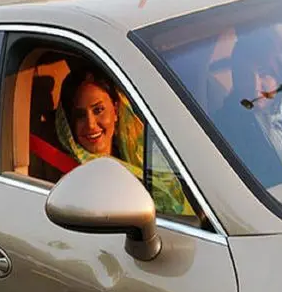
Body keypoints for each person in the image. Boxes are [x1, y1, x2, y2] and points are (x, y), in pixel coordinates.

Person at [55, 65, 195, 216]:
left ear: (115, 111)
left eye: (98, 110)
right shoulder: (74, 181)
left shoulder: (139, 156)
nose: (91, 124)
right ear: (69, 122)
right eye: (80, 115)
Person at [213, 29, 282, 188]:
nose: (255, 87)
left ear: (278, 75)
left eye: (264, 73)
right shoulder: (224, 127)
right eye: (245, 76)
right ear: (236, 80)